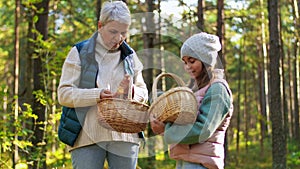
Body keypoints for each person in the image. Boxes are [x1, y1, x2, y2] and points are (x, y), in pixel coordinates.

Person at [57, 1, 148, 169]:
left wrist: (132, 91)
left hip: (125, 137)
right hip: (86, 137)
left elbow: (144, 93)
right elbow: (64, 94)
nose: (118, 38)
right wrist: (97, 95)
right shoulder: (79, 52)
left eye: (123, 32)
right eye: (113, 31)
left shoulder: (130, 56)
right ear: (100, 25)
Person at [150, 32, 233, 169]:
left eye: (192, 61)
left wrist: (167, 130)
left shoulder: (218, 89)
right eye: (185, 62)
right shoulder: (195, 89)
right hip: (184, 161)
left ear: (206, 60)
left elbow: (203, 129)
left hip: (201, 164)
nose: (187, 66)